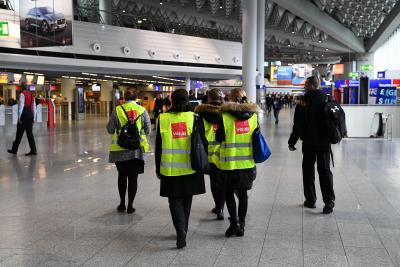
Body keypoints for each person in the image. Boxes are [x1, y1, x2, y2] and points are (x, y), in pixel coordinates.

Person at [156, 89, 206, 249]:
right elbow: (203, 143)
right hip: (191, 167)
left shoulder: (162, 119)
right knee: (187, 197)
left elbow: (158, 146)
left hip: (170, 168)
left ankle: (180, 231)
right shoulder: (195, 118)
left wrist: (158, 168)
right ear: (188, 101)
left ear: (171, 100)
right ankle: (183, 228)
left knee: (174, 200)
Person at [288, 76, 335, 214]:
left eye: (306, 84)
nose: (304, 87)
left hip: (309, 142)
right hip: (324, 142)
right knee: (325, 171)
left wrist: (292, 141)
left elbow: (298, 125)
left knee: (308, 171)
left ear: (310, 85)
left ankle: (310, 200)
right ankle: (329, 201)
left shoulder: (303, 102)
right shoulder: (327, 99)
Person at [216, 88, 259, 237]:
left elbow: (219, 137)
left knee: (229, 194)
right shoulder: (253, 115)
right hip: (247, 162)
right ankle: (242, 224)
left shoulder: (225, 115)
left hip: (229, 163)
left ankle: (233, 223)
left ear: (231, 99)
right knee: (243, 194)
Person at [107, 87, 151, 214]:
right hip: (137, 150)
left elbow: (110, 130)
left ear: (124, 97)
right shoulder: (142, 110)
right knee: (133, 178)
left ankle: (122, 203)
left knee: (122, 176)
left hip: (119, 149)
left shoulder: (118, 110)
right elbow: (148, 130)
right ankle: (130, 206)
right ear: (136, 97)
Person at [195, 88, 225, 220]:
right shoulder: (227, 113)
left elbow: (200, 135)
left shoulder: (201, 115)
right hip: (224, 153)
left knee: (214, 182)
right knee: (223, 181)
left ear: (209, 99)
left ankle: (218, 207)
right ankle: (222, 207)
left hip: (209, 154)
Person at [8, 84, 37, 156]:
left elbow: (21, 106)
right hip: (30, 115)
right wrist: (33, 118)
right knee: (30, 134)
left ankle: (14, 150)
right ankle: (33, 150)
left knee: (19, 134)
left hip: (24, 115)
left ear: (21, 88)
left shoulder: (22, 94)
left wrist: (19, 117)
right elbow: (34, 108)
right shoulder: (31, 95)